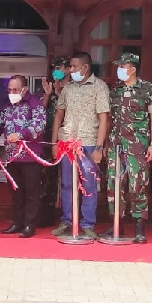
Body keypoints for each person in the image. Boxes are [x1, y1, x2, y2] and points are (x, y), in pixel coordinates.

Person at [51, 52, 109, 239]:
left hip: (89, 143)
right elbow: (59, 115)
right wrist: (54, 142)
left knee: (88, 185)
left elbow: (104, 118)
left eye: (74, 67)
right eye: (70, 66)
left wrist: (99, 147)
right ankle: (67, 221)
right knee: (67, 184)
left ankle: (87, 224)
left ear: (85, 67)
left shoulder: (99, 87)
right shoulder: (68, 88)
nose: (71, 70)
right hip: (67, 143)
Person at [104, 53, 152, 244]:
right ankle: (116, 224)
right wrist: (106, 143)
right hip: (116, 145)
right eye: (118, 66)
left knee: (138, 185)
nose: (119, 70)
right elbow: (109, 119)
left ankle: (139, 228)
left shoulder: (147, 89)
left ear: (133, 69)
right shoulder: (115, 90)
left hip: (138, 145)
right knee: (114, 185)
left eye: (123, 66)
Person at [0, 75, 46, 238]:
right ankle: (17, 222)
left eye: (15, 90)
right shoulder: (7, 106)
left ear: (24, 89)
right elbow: (0, 124)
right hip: (12, 156)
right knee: (16, 191)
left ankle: (29, 225)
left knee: (31, 192)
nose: (12, 93)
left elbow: (39, 125)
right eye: (9, 90)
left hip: (30, 156)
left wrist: (20, 135)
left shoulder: (35, 103)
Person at [40, 57, 70, 227]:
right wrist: (48, 94)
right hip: (48, 138)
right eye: (54, 68)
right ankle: (47, 214)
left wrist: (60, 94)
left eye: (59, 67)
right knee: (47, 177)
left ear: (68, 69)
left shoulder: (73, 88)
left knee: (68, 179)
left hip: (68, 139)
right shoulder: (49, 87)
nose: (55, 71)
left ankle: (69, 217)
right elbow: (39, 111)